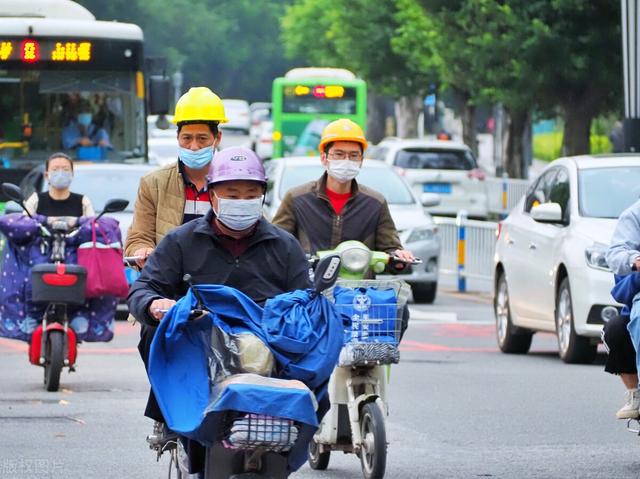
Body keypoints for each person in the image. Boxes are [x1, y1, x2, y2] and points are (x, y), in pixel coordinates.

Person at [128, 146, 311, 473]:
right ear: (212, 196)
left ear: (262, 196)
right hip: (200, 343)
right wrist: (156, 304)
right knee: (153, 331)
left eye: (250, 193)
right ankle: (171, 414)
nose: (241, 201)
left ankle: (302, 429)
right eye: (231, 193)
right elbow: (144, 288)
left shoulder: (285, 246)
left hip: (269, 347)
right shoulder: (180, 241)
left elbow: (307, 299)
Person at [271, 118, 415, 336]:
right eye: (339, 154)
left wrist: (398, 258)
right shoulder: (297, 198)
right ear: (324, 158)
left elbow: (390, 248)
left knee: (399, 313)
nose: (346, 160)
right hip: (310, 295)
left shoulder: (375, 203)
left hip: (359, 299)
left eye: (353, 155)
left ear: (361, 161)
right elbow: (276, 245)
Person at [124, 87, 227, 269]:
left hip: (221, 283)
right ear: (177, 137)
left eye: (202, 138)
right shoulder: (154, 183)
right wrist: (142, 251)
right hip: (169, 284)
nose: (193, 146)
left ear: (217, 138)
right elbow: (137, 238)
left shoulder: (233, 182)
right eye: (187, 138)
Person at [605, 199, 640, 419]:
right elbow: (616, 254)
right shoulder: (635, 215)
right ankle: (636, 396)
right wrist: (635, 259)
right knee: (630, 323)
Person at [24, 152, 95, 217]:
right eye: (55, 169)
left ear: (72, 174)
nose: (60, 174)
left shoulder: (83, 201)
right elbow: (24, 223)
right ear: (46, 175)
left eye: (66, 169)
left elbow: (93, 225)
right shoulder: (35, 200)